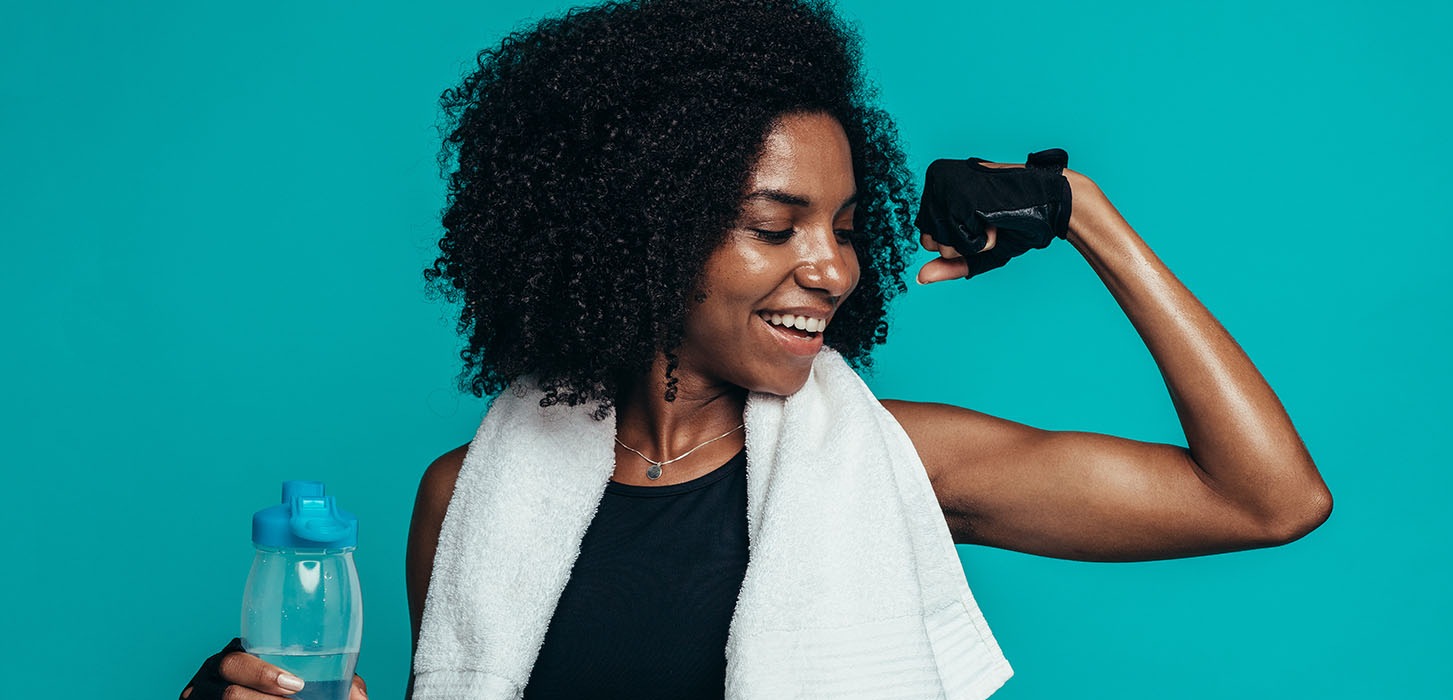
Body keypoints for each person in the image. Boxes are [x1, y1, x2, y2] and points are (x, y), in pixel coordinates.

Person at [180, 0, 1331, 698]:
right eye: (777, 227)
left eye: (840, 227)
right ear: (645, 229)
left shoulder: (894, 464)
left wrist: (1084, 214)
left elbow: (1266, 497)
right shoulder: (473, 497)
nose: (833, 268)